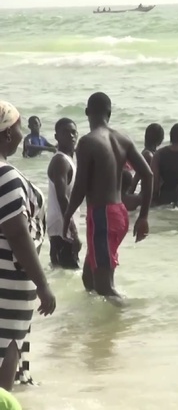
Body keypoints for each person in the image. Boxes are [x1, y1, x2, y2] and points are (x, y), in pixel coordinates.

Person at [63, 92, 153, 300]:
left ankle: (128, 319)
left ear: (87, 112)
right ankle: (99, 330)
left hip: (102, 216)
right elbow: (148, 175)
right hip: (119, 213)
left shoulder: (87, 142)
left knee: (105, 287)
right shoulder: (123, 139)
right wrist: (143, 217)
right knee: (88, 278)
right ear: (109, 113)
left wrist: (67, 216)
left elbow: (81, 186)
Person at [0, 102, 56, 390]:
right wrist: (43, 284)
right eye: (19, 128)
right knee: (7, 347)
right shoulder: (5, 176)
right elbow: (17, 234)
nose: (22, 135)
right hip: (9, 279)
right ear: (7, 133)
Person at [47, 118, 81, 269]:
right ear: (56, 137)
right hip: (62, 227)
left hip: (63, 225)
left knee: (61, 271)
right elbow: (62, 198)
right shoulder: (60, 161)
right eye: (66, 133)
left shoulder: (68, 160)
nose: (71, 136)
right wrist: (73, 233)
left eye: (73, 132)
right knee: (68, 270)